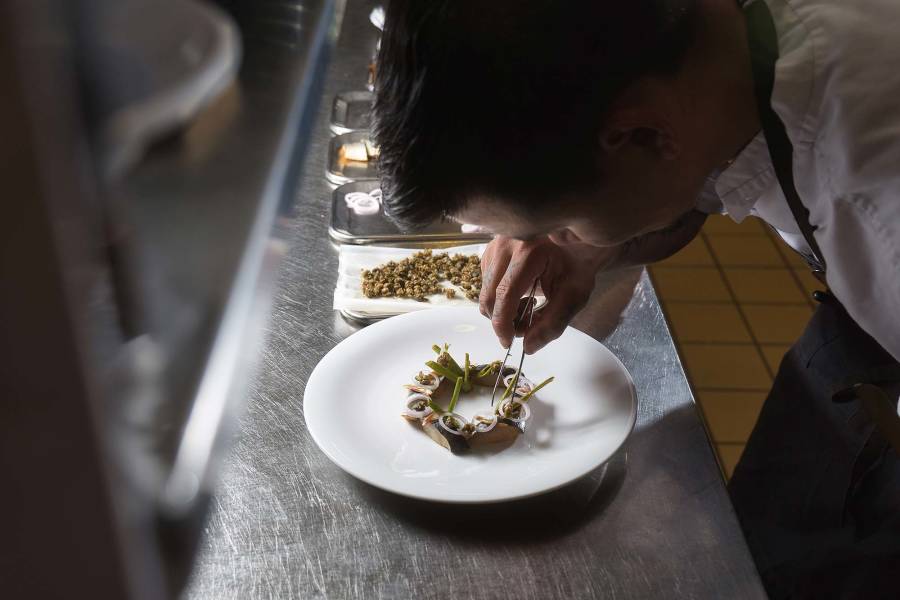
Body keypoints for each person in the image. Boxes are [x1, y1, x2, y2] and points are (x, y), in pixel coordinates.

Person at [372, 0, 900, 597]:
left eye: (557, 227)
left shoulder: (877, 209)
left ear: (643, 134)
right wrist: (589, 242)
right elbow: (703, 168)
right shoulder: (704, 53)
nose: (540, 246)